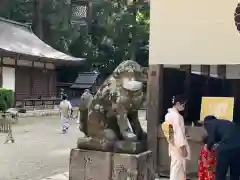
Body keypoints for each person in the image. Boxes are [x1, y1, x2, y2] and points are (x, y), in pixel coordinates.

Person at [203, 115, 240, 180]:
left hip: (226, 148)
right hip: (238, 146)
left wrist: (207, 148)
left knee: (221, 172)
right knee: (235, 172)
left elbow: (211, 139)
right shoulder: (225, 122)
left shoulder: (209, 123)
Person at [163, 95, 190, 180]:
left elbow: (169, 132)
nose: (184, 107)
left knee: (175, 166)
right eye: (183, 105)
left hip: (172, 143)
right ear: (177, 104)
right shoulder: (177, 116)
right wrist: (183, 147)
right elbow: (178, 133)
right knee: (178, 167)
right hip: (179, 144)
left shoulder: (168, 115)